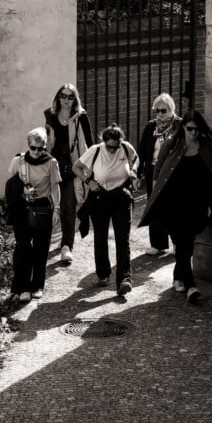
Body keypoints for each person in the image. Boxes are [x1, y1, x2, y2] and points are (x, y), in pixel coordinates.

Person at [139, 110, 212, 303]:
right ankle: (191, 286)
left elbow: (210, 175)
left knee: (186, 244)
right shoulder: (172, 144)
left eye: (197, 130)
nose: (193, 133)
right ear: (183, 127)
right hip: (174, 202)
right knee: (182, 241)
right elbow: (158, 171)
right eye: (190, 129)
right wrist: (157, 196)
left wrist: (211, 204)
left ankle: (178, 276)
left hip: (196, 203)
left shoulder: (206, 146)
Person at [72, 124, 139, 296]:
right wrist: (89, 181)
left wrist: (133, 171)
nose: (112, 150)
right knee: (101, 237)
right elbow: (76, 167)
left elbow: (136, 158)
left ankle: (124, 279)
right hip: (100, 197)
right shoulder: (95, 151)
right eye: (109, 146)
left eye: (115, 147)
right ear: (104, 143)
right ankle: (103, 274)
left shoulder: (125, 148)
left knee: (123, 238)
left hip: (121, 197)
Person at [7, 127, 61, 303]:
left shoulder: (51, 163)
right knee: (23, 247)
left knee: (41, 248)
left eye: (41, 148)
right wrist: (21, 190)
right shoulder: (18, 161)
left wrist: (57, 209)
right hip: (22, 208)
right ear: (28, 145)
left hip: (42, 208)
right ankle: (21, 287)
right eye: (33, 148)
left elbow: (55, 187)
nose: (37, 152)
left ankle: (37, 285)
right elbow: (10, 185)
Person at [44, 83, 94, 266]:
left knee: (68, 205)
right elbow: (47, 142)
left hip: (73, 167)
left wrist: (87, 168)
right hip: (55, 166)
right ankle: (57, 239)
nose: (66, 100)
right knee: (55, 206)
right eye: (62, 96)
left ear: (75, 99)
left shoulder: (80, 117)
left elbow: (89, 143)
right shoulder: (50, 116)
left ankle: (66, 246)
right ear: (58, 98)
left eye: (70, 96)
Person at [136, 93, 182, 255]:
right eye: (157, 111)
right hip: (153, 172)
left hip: (171, 172)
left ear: (171, 109)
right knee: (154, 205)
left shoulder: (179, 126)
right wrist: (138, 173)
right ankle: (158, 243)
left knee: (173, 207)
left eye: (163, 110)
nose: (160, 114)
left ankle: (178, 242)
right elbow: (141, 152)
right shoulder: (151, 127)